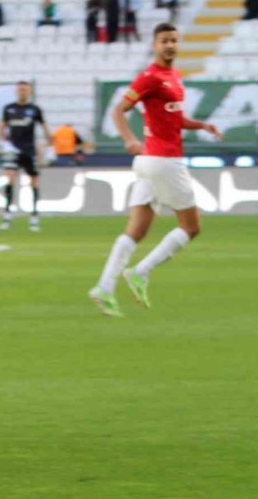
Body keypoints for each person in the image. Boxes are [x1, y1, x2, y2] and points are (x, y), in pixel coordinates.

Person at [89, 23, 222, 317]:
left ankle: (104, 286)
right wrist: (129, 139)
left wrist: (202, 125)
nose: (170, 45)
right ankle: (141, 271)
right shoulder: (149, 77)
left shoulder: (174, 77)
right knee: (191, 227)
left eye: (174, 40)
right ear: (154, 44)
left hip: (150, 163)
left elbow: (174, 120)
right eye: (164, 41)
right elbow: (118, 110)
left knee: (136, 230)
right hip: (164, 161)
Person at [0, 81, 51, 232]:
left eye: (25, 90)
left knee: (33, 181)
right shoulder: (9, 109)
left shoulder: (34, 110)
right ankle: (7, 215)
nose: (22, 92)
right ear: (16, 92)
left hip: (29, 150)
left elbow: (44, 126)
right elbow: (2, 126)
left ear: (30, 92)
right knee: (10, 178)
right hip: (13, 149)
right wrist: (4, 142)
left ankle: (34, 216)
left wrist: (48, 144)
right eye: (20, 89)